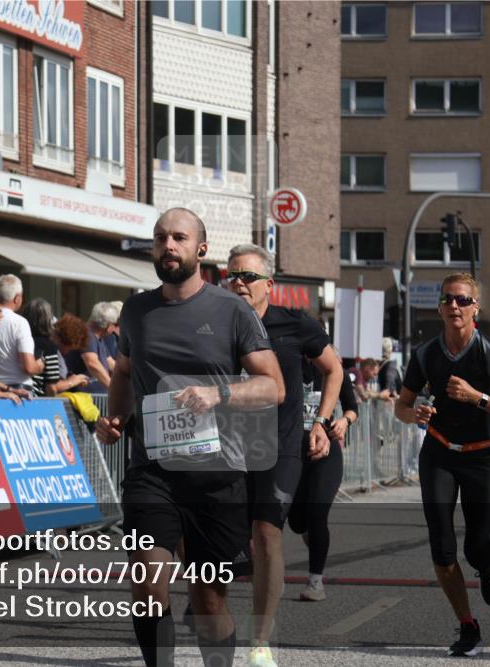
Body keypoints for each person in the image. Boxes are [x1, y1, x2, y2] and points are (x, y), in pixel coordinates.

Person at [96, 208, 284, 667]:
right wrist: (115, 417)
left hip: (216, 473)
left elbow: (273, 386)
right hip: (152, 470)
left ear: (201, 249)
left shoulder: (232, 310)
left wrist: (217, 393)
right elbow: (122, 370)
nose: (168, 245)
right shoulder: (136, 310)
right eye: (160, 238)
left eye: (179, 237)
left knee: (208, 598)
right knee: (147, 578)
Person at [394, 273, 490, 657]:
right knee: (442, 545)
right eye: (448, 300)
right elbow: (401, 406)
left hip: (484, 456)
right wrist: (415, 413)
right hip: (438, 453)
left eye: (462, 300)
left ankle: (488, 564)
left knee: (476, 547)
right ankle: (468, 626)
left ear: (476, 308)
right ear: (440, 307)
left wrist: (478, 398)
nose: (454, 306)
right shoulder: (425, 354)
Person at [225, 243, 343, 667]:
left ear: (269, 285)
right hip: (227, 450)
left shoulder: (295, 324)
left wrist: (322, 422)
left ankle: (260, 641)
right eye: (232, 275)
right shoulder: (216, 324)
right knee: (212, 537)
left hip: (281, 447)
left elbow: (334, 369)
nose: (238, 282)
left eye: (248, 276)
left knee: (267, 533)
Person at [288, 345, 358, 602]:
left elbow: (352, 407)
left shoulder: (334, 372)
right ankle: (312, 535)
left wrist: (344, 421)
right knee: (296, 522)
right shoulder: (289, 368)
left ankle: (315, 582)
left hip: (326, 453)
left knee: (318, 513)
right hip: (293, 455)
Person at [0, 274, 43, 392]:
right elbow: (29, 367)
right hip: (19, 391)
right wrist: (39, 366)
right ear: (17, 298)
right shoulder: (20, 322)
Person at [65, 301, 118, 393]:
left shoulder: (98, 338)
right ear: (109, 326)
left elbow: (111, 364)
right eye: (116, 324)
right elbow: (92, 363)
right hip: (84, 401)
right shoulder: (87, 335)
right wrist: (114, 390)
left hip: (93, 400)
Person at [50, 314, 92, 394]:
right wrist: (73, 381)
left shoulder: (57, 352)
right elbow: (53, 386)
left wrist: (70, 378)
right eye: (69, 348)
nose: (68, 352)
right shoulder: (51, 351)